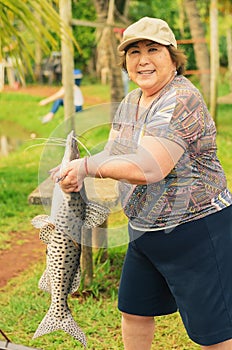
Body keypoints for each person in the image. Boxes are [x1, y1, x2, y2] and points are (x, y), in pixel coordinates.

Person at [54, 17, 232, 350]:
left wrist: (88, 166)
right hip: (146, 230)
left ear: (173, 58)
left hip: (197, 229)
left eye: (153, 50)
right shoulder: (132, 101)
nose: (142, 59)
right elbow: (114, 153)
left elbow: (151, 168)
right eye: (134, 52)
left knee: (214, 333)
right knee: (134, 311)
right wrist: (77, 173)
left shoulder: (179, 99)